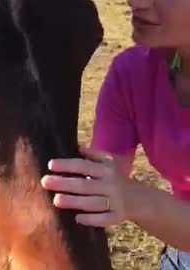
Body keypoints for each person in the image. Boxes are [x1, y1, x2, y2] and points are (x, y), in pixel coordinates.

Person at [40, 0, 190, 269]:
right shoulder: (133, 72)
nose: (137, 2)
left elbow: (119, 193)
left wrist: (132, 198)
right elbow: (101, 177)